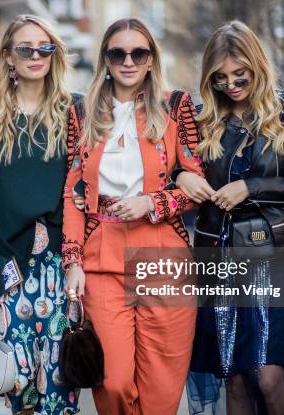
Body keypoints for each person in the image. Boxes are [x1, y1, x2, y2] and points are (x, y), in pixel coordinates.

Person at [175, 21, 284, 415]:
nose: (231, 84)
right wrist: (181, 175)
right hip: (220, 261)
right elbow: (168, 169)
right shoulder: (200, 119)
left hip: (274, 259)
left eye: (240, 75)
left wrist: (250, 187)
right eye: (220, 77)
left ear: (257, 66)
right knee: (235, 377)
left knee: (267, 375)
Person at [62, 18, 203, 415]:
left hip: (163, 253)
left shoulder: (176, 107)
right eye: (117, 53)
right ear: (105, 58)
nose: (128, 61)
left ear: (150, 59)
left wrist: (152, 203)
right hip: (101, 254)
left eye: (138, 52)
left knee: (161, 385)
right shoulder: (80, 112)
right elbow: (73, 194)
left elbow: (197, 183)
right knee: (114, 381)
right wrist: (72, 261)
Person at [0, 15, 82, 415]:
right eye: (25, 48)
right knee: (20, 391)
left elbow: (80, 189)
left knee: (60, 387)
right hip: (8, 270)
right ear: (8, 57)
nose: (36, 55)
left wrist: (63, 245)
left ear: (54, 54)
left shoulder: (73, 113)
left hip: (58, 267)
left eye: (45, 47)